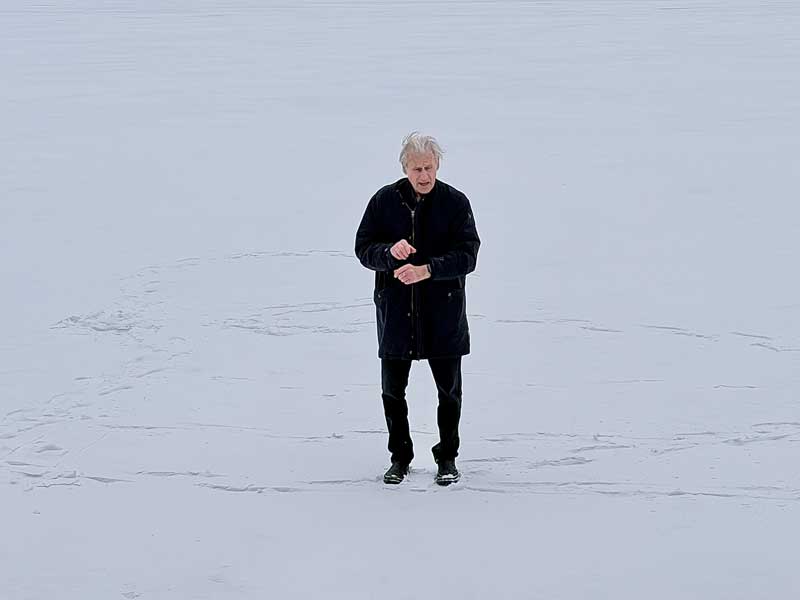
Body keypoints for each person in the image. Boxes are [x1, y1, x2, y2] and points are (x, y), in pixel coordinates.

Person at [354, 132, 480, 486]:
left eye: (428, 168)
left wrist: (428, 270)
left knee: (449, 392)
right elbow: (363, 248)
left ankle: (447, 457)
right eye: (416, 169)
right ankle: (400, 458)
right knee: (392, 392)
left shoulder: (455, 203)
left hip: (443, 313)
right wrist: (387, 253)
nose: (423, 175)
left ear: (437, 165)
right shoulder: (384, 201)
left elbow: (468, 255)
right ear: (404, 168)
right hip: (397, 312)